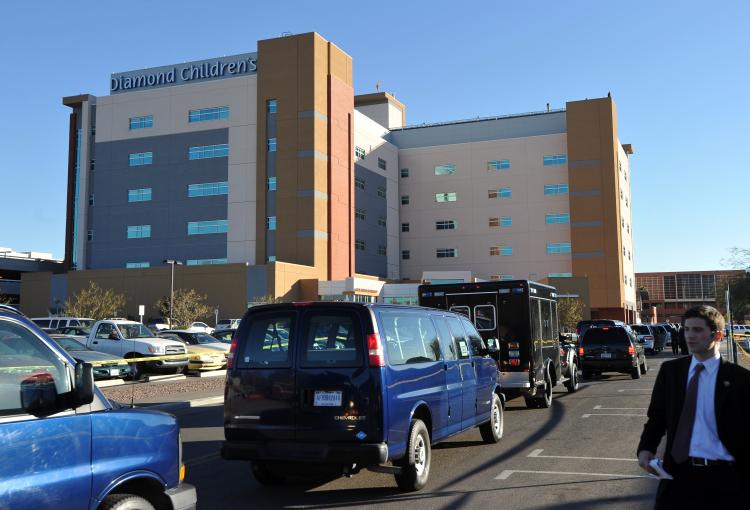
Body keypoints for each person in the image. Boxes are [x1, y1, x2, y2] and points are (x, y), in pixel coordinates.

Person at [637, 305, 750, 509]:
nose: (690, 336)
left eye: (697, 330)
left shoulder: (740, 379)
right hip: (677, 476)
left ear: (717, 335)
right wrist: (646, 448)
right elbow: (657, 417)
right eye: (687, 329)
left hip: (725, 479)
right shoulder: (671, 372)